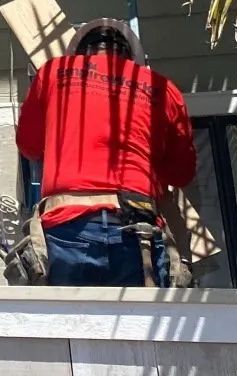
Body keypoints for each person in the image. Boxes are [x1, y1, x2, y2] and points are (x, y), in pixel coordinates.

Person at [15, 19, 196, 287]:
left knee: (70, 325)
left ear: (80, 53)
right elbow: (181, 173)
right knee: (141, 325)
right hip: (138, 231)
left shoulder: (54, 73)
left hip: (68, 227)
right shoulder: (163, 88)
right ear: (130, 57)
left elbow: (29, 145)